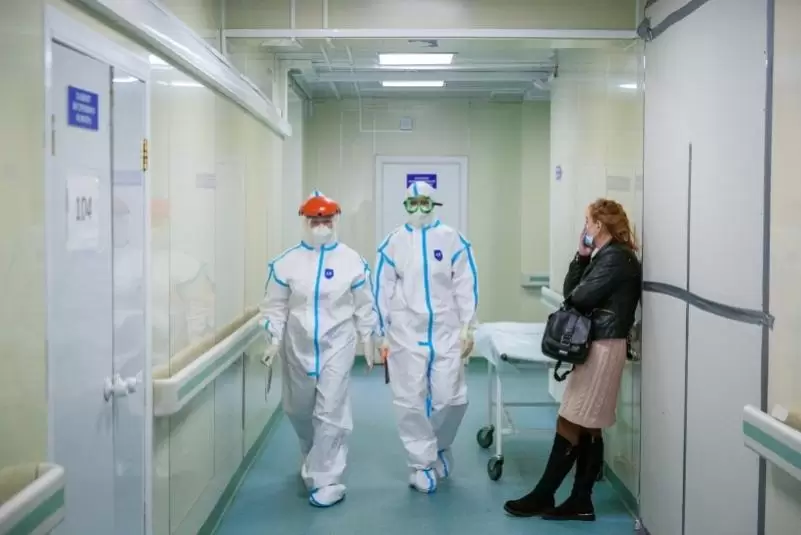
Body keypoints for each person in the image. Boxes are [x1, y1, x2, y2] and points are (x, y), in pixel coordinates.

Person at [503, 198, 641, 522]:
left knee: (571, 419)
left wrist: (584, 263)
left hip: (603, 347)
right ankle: (580, 500)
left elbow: (577, 297)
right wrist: (581, 255)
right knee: (589, 426)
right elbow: (572, 291)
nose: (585, 228)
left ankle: (545, 494)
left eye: (588, 222)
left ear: (599, 225)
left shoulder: (616, 258)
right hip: (601, 345)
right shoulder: (607, 255)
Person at [259, 191, 377, 508]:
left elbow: (364, 304)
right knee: (298, 409)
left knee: (331, 410)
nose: (321, 225)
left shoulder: (351, 261)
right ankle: (313, 453)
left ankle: (327, 479)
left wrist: (368, 337)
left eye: (326, 220)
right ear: (305, 221)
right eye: (315, 220)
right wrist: (273, 339)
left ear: (336, 220)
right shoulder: (286, 263)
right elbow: (274, 307)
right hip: (297, 345)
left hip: (337, 342)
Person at [374, 180, 479, 494]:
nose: (419, 208)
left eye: (424, 202)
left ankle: (440, 445)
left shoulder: (452, 240)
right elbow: (381, 289)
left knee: (452, 398)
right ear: (405, 205)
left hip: (446, 331)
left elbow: (466, 284)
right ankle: (420, 464)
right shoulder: (392, 243)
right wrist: (381, 332)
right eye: (413, 203)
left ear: (434, 204)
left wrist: (467, 326)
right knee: (409, 401)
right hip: (406, 333)